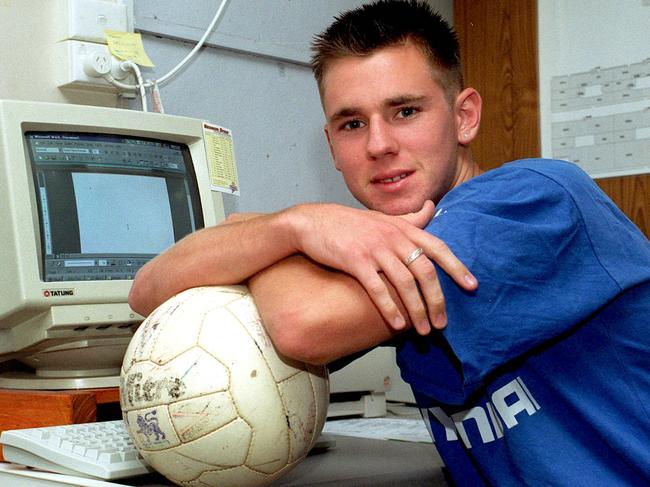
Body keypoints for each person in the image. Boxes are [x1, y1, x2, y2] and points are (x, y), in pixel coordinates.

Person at [129, 1, 650, 485]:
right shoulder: (387, 240)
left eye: (406, 111)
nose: (379, 145)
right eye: (353, 123)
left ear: (464, 115)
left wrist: (278, 235)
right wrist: (293, 226)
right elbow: (150, 289)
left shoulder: (534, 200)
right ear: (332, 145)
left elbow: (300, 325)